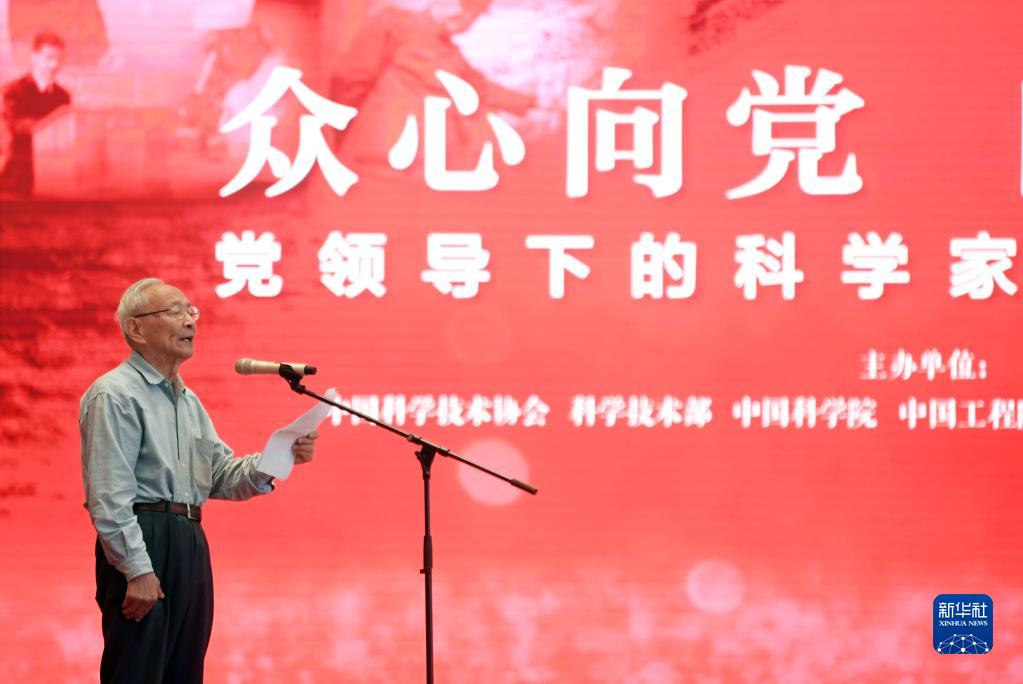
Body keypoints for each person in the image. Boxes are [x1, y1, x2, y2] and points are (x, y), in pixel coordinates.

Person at [79, 278, 320, 683]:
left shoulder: (188, 401)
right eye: (176, 311)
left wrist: (282, 454)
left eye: (192, 311)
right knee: (138, 671)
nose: (190, 321)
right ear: (136, 328)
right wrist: (136, 569)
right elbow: (108, 494)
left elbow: (219, 475)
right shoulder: (115, 394)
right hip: (145, 536)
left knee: (185, 671)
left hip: (190, 540)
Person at [0, 31, 72, 196]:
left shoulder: (63, 97)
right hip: (18, 179)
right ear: (34, 57)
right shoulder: (13, 91)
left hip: (53, 180)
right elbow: (15, 126)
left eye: (59, 59)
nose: (54, 65)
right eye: (49, 58)